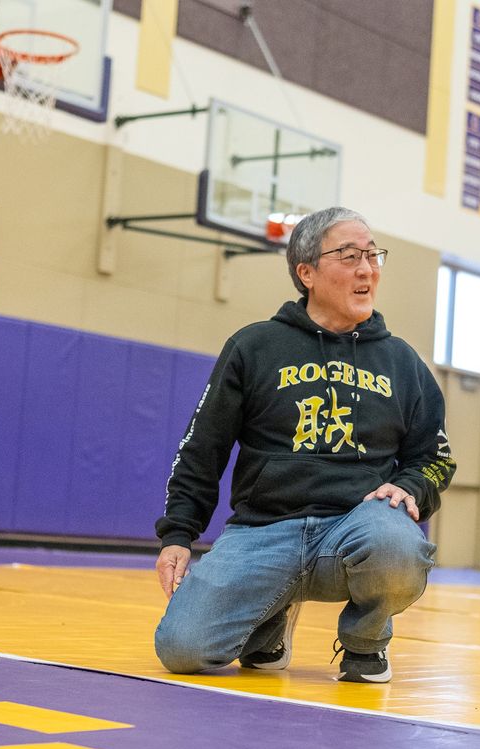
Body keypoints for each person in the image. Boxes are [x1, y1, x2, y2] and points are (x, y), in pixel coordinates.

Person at [154, 207, 456, 683]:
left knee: (398, 545)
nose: (366, 268)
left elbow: (435, 458)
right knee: (182, 650)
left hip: (357, 529)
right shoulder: (254, 347)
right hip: (264, 531)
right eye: (349, 255)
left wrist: (411, 487)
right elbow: (202, 447)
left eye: (373, 255)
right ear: (307, 272)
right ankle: (268, 622)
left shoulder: (403, 363)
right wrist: (178, 534)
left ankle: (366, 642)